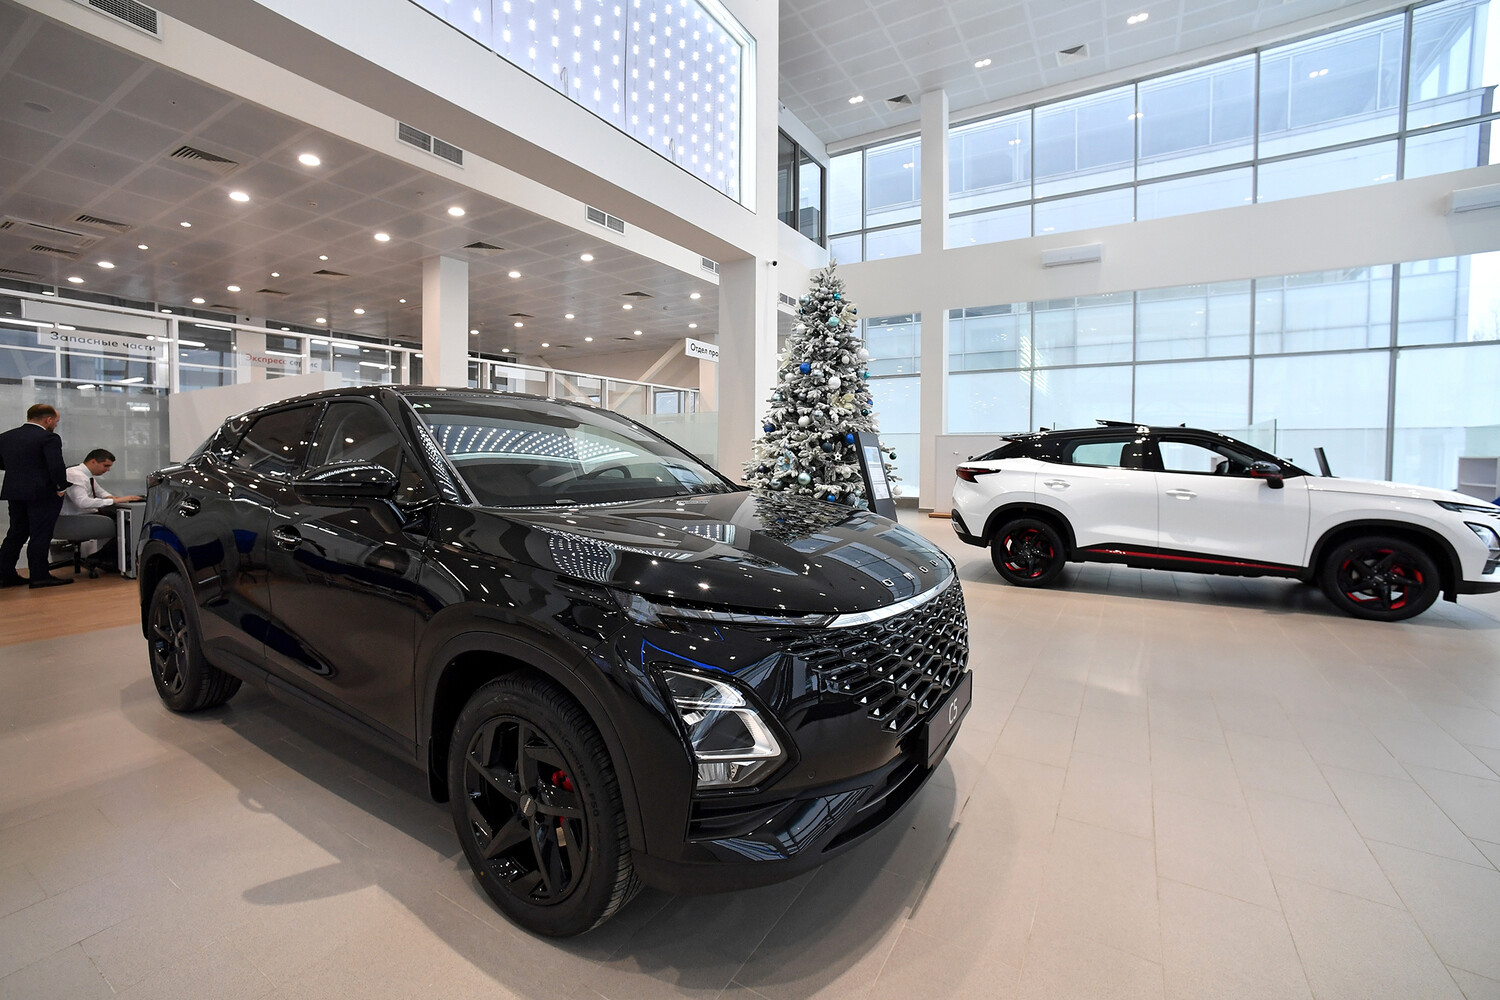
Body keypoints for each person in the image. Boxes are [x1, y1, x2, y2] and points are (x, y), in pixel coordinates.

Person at [0, 403, 72, 588]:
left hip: (15, 491)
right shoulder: (49, 438)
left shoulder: (6, 437)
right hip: (43, 492)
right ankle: (39, 576)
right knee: (40, 534)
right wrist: (61, 487)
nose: (55, 425)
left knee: (16, 533)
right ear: (48, 420)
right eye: (56, 421)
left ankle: (4, 575)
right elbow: (55, 465)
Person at [61, 448, 143, 568]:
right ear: (93, 461)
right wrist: (115, 501)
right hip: (75, 519)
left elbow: (101, 492)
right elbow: (82, 502)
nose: (108, 469)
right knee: (127, 526)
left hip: (83, 515)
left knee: (125, 520)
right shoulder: (75, 475)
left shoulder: (87, 476)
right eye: (106, 465)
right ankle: (97, 559)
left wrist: (117, 498)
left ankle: (109, 560)